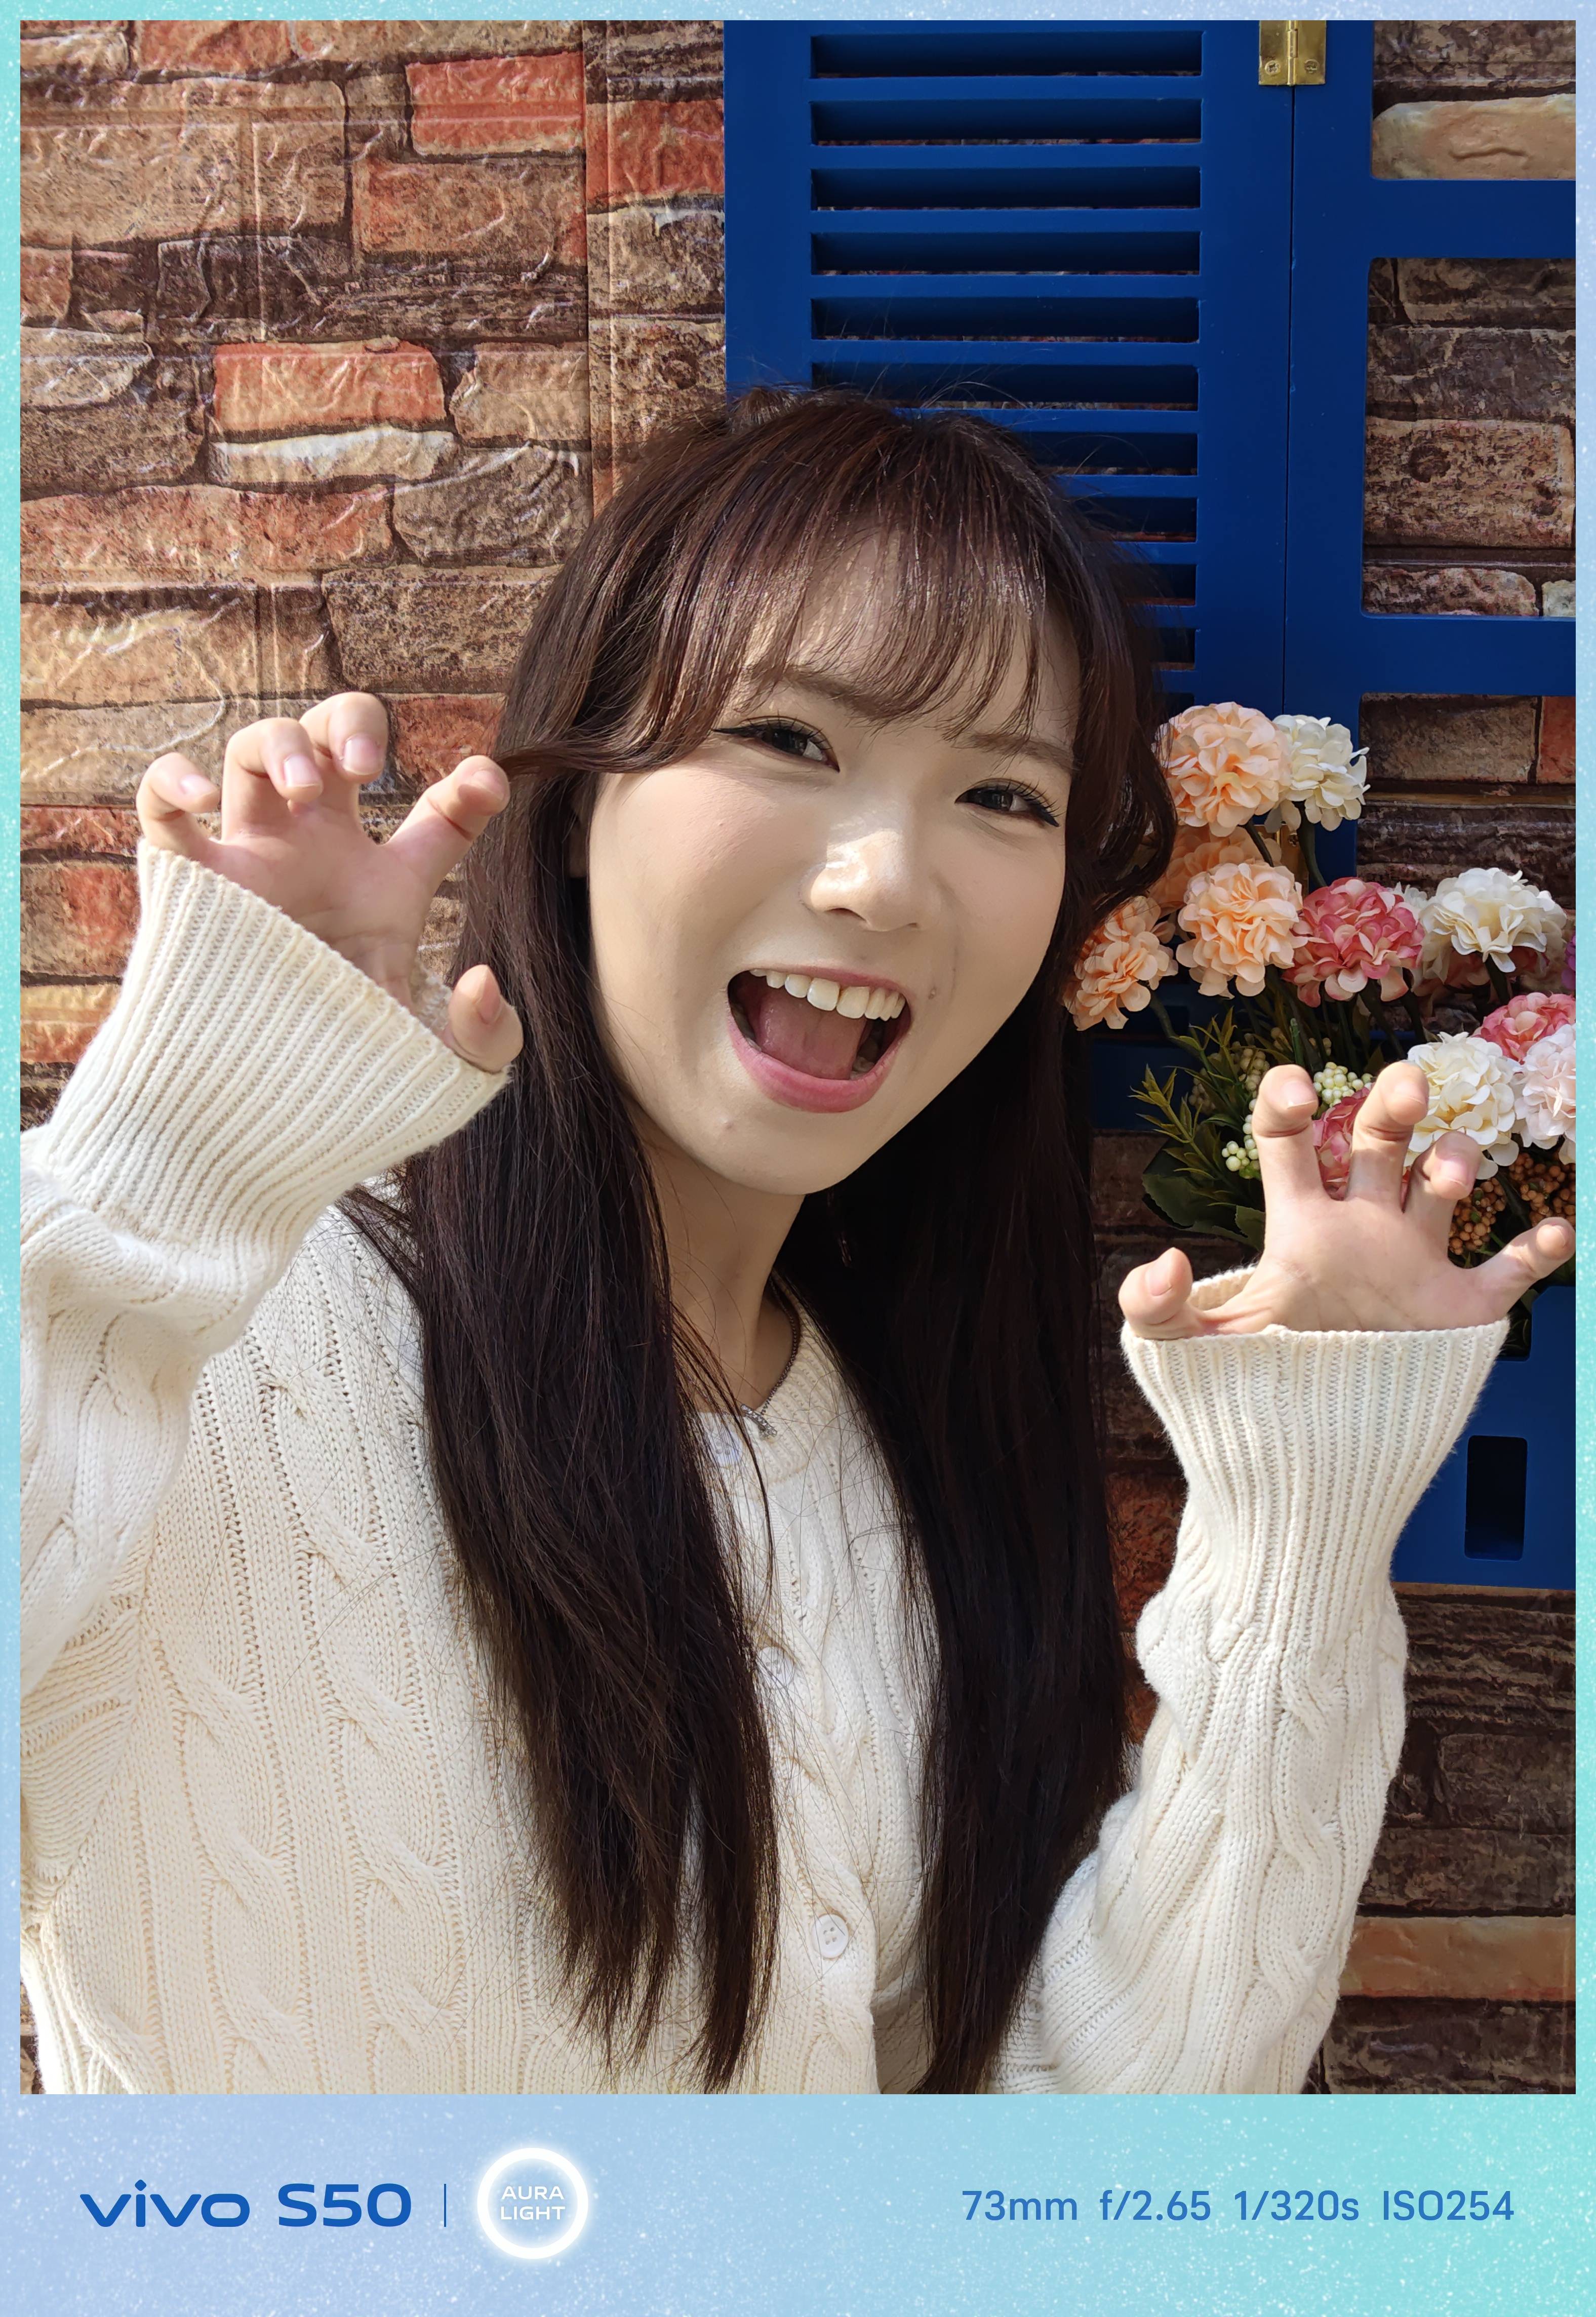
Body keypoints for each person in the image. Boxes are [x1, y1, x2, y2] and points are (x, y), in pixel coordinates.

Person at [21, 389, 1569, 2096]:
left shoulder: (904, 1455)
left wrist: (1301, 1519)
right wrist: (183, 1141)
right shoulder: (221, 1333)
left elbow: (1060, 2156)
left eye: (1002, 792)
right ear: (579, 800)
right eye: (790, 739)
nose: (883, 880)